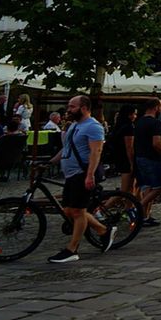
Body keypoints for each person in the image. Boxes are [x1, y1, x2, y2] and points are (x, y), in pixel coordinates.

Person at [45, 96, 114, 263]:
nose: (68, 109)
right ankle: (103, 230)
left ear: (83, 108)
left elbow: (96, 152)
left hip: (81, 174)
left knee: (78, 211)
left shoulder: (93, 126)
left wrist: (89, 175)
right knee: (69, 210)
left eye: (72, 106)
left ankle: (72, 249)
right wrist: (48, 163)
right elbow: (66, 149)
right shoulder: (75, 125)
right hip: (70, 174)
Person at [132, 99, 161, 227]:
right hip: (151, 158)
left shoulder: (139, 121)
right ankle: (138, 207)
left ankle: (144, 216)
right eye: (160, 107)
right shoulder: (155, 123)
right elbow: (156, 143)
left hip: (140, 156)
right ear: (156, 107)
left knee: (147, 187)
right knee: (159, 187)